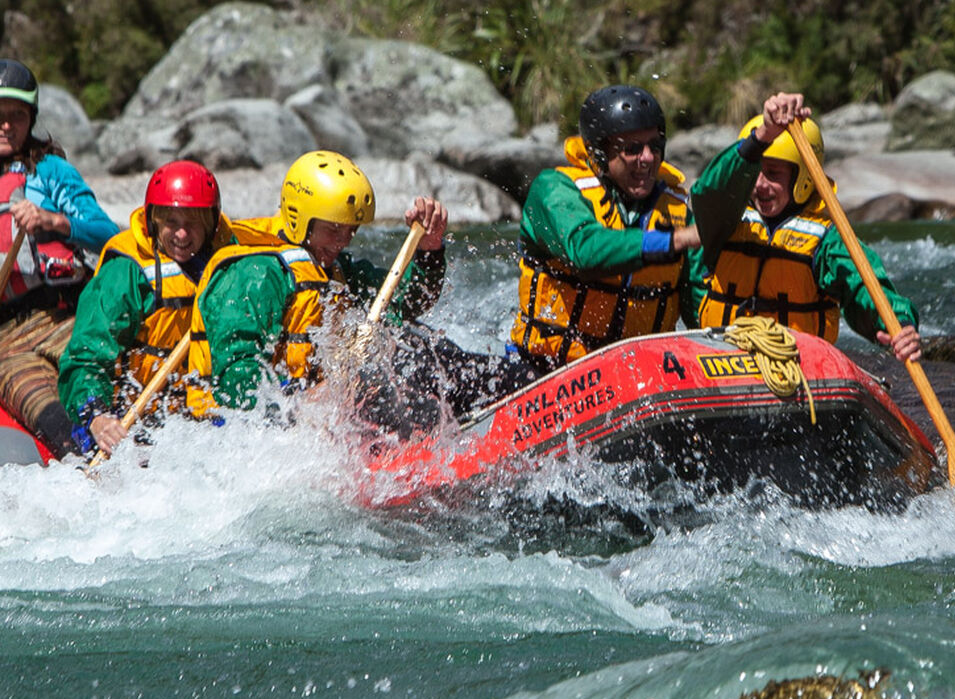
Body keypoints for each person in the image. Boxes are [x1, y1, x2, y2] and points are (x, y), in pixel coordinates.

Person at [187, 150, 525, 435]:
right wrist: (299, 405)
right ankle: (431, 444)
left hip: (327, 412)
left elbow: (405, 303)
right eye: (334, 229)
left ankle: (520, 387)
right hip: (260, 430)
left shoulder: (334, 268)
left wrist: (428, 251)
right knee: (389, 380)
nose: (344, 240)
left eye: (350, 230)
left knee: (419, 347)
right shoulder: (254, 274)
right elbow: (236, 378)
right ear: (299, 219)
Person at [57, 160, 276, 457]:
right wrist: (96, 415)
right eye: (171, 222)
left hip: (202, 421)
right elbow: (86, 355)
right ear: (154, 221)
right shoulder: (125, 272)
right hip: (135, 421)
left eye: (193, 222)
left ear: (211, 224)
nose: (182, 235)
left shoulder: (232, 262)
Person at [686, 92, 922, 363]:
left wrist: (899, 324)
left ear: (803, 179)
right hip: (719, 356)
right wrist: (762, 135)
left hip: (793, 363)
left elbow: (864, 285)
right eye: (756, 172)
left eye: (773, 174)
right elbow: (707, 192)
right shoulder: (724, 217)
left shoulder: (826, 240)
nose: (760, 184)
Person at [507, 84, 702, 370]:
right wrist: (667, 242)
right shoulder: (553, 190)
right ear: (599, 154)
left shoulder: (679, 214)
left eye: (654, 146)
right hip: (544, 369)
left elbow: (698, 309)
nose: (647, 158)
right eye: (632, 149)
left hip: (638, 375)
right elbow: (584, 251)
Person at [0, 58, 117, 457]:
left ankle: (110, 432)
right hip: (7, 342)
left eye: (16, 115)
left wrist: (54, 221)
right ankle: (78, 456)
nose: (5, 125)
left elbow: (110, 235)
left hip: (66, 317)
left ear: (30, 119)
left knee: (88, 381)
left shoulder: (51, 172)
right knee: (41, 408)